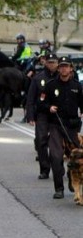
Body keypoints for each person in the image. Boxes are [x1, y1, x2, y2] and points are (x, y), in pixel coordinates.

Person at [44, 56, 83, 199]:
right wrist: (49, 107)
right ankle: (59, 188)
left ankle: (74, 180)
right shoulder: (50, 85)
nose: (64, 68)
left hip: (72, 126)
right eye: (61, 66)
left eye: (66, 66)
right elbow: (41, 103)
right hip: (56, 124)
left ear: (71, 68)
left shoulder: (77, 86)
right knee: (55, 156)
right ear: (58, 68)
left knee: (76, 156)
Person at [26, 53, 58, 180]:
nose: (51, 64)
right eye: (49, 62)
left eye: (54, 62)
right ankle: (44, 169)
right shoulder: (38, 77)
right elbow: (31, 97)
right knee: (41, 140)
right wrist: (30, 115)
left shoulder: (62, 77)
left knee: (57, 144)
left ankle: (58, 168)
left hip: (57, 114)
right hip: (42, 114)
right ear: (45, 63)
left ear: (57, 63)